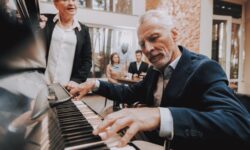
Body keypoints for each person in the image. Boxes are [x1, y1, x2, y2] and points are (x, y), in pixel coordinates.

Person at [66, 10, 250, 149]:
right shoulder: (155, 71)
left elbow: (240, 125)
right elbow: (129, 92)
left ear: (174, 34)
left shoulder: (204, 68)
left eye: (154, 38)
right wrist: (95, 84)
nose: (148, 49)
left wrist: (159, 115)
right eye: (142, 44)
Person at [40, 0, 92, 86]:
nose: (71, 3)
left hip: (66, 88)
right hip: (40, 84)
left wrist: (77, 80)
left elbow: (87, 60)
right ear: (56, 4)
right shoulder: (44, 21)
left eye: (74, 0)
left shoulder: (83, 30)